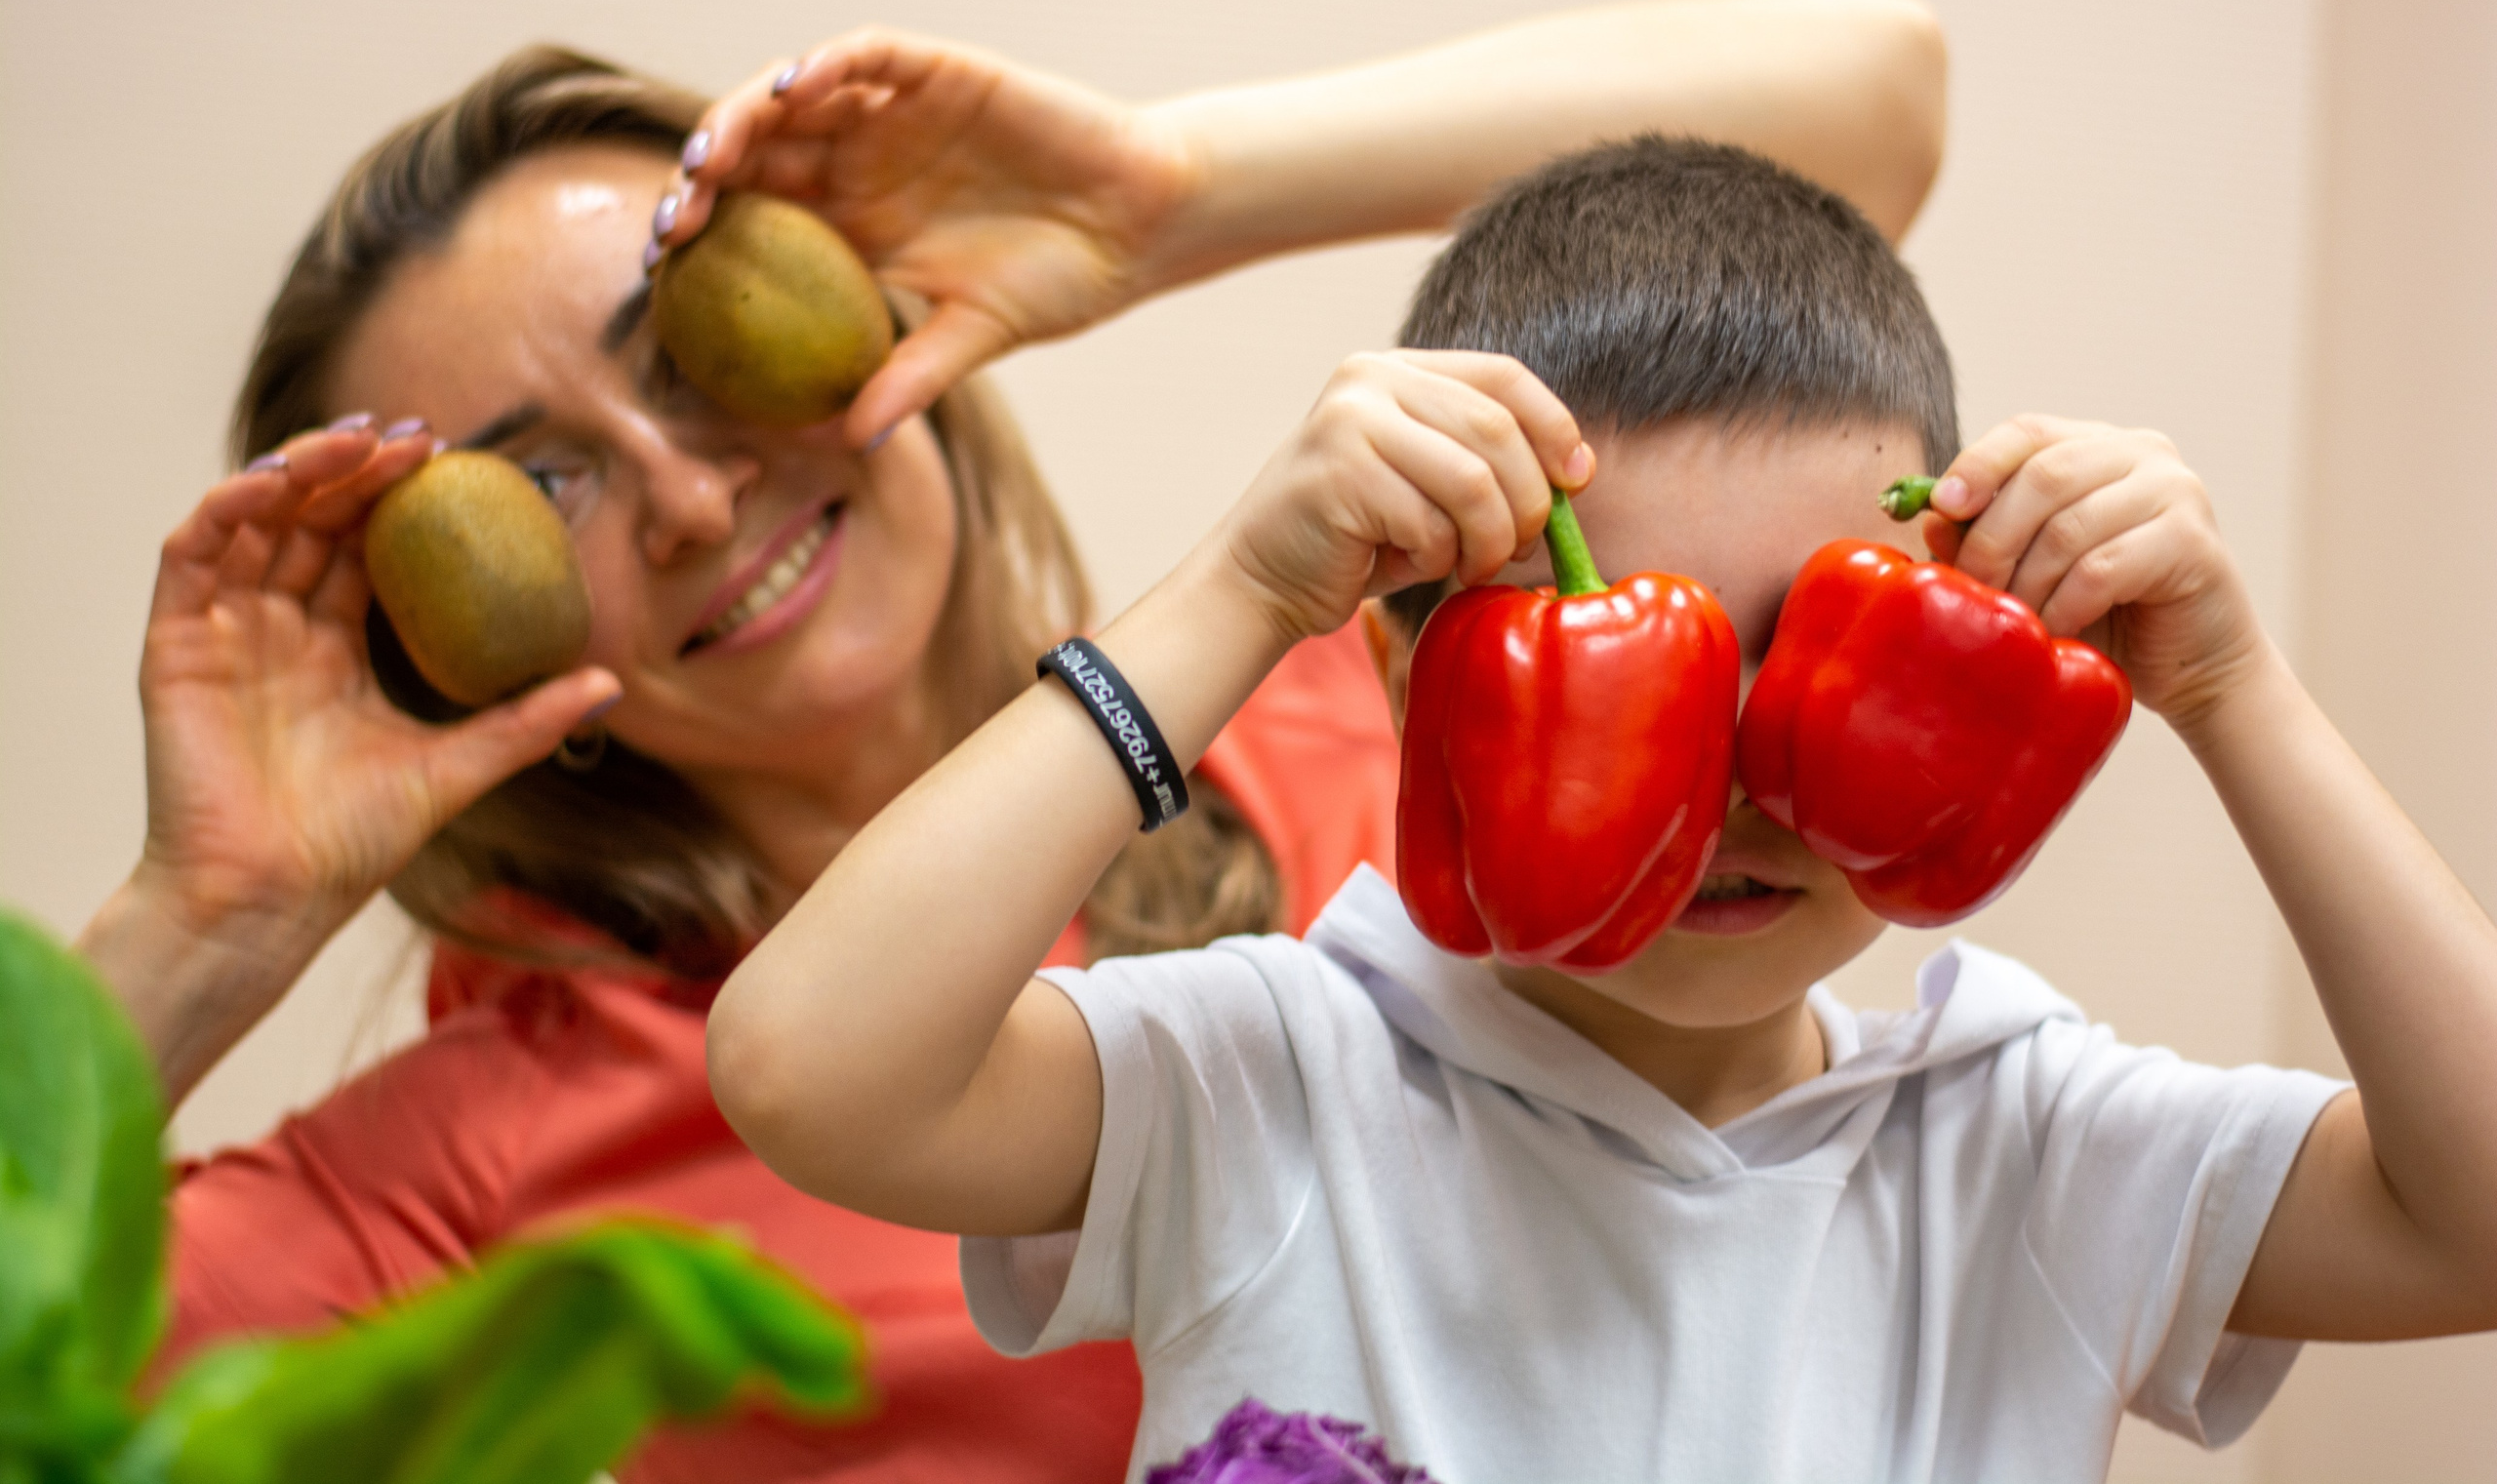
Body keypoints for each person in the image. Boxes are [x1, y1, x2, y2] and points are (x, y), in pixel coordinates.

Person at [74, 0, 1948, 1483]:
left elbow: (1866, 108)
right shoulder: (482, 1153)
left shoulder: (1395, 710)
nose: (693, 500)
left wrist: (1166, 191)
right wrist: (207, 914)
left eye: (695, 351)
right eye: (534, 490)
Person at [707, 136, 2497, 1484]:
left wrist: (2232, 690)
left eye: (1819, 650)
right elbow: (809, 1069)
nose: (1732, 787)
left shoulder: (2023, 1146)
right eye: (1627, 665)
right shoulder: (1266, 1086)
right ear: (1415, 691)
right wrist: (1241, 592)